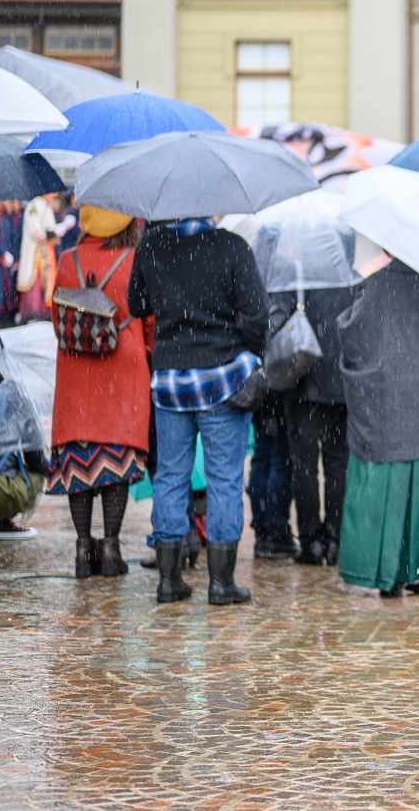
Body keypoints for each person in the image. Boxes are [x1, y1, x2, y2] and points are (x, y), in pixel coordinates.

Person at [128, 216, 267, 606]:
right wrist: (249, 352)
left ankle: (169, 581)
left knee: (170, 475)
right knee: (224, 479)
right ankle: (221, 584)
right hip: (223, 377)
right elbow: (257, 314)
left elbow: (136, 304)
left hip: (171, 377)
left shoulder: (151, 245)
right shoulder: (232, 246)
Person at [336, 258, 419, 596]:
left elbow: (353, 331)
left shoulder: (378, 282)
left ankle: (389, 570)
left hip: (389, 398)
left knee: (386, 486)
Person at [46, 208, 152, 580]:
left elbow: (57, 315)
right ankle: (110, 548)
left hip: (77, 374)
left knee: (80, 458)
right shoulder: (135, 258)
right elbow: (148, 317)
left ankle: (82, 549)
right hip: (122, 372)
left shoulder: (66, 259)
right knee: (115, 457)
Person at [269, 283, 355, 567]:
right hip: (341, 380)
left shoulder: (293, 272)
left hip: (302, 378)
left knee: (303, 465)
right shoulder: (349, 270)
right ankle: (335, 540)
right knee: (337, 465)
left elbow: (275, 322)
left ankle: (310, 542)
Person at [248, 395, 296, 559]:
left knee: (262, 456)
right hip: (281, 388)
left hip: (260, 391)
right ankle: (276, 531)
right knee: (281, 457)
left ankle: (262, 532)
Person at [16, 192, 70, 323]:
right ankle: (34, 314)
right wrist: (56, 231)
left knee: (47, 283)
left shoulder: (45, 205)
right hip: (37, 254)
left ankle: (44, 313)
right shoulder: (35, 205)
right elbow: (37, 232)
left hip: (46, 252)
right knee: (36, 283)